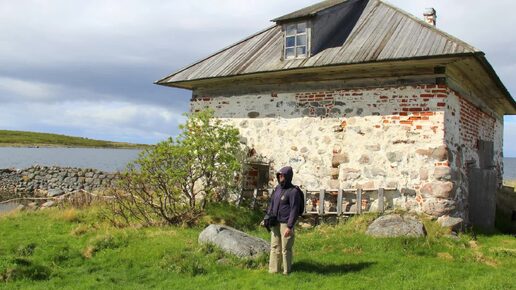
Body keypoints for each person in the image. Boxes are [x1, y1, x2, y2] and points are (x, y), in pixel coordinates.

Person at [265, 166, 302, 275]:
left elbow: (294, 210)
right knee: (275, 246)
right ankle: (274, 270)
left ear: (288, 176)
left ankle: (286, 271)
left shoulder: (293, 191)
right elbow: (271, 204)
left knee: (286, 248)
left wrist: (290, 226)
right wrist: (267, 218)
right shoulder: (277, 189)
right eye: (279, 175)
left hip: (286, 223)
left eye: (282, 175)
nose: (280, 177)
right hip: (275, 221)